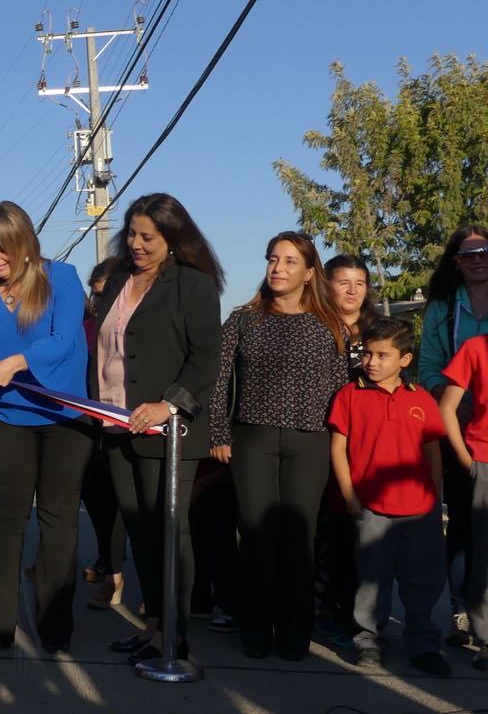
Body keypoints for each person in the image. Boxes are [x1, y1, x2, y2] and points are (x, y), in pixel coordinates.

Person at [0, 201, 89, 656]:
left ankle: (54, 627)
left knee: (58, 521)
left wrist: (19, 360)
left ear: (24, 243)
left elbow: (66, 339)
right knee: (6, 520)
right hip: (9, 416)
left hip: (65, 418)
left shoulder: (61, 278)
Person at [91, 193, 223, 665]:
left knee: (168, 529)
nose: (137, 244)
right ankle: (153, 627)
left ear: (173, 237)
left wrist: (167, 405)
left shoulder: (194, 284)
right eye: (132, 234)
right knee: (140, 530)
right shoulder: (119, 280)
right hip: (114, 423)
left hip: (167, 431)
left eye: (148, 236)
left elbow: (206, 358)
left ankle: (175, 635)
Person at [209, 232, 347, 661]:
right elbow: (217, 381)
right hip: (253, 439)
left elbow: (342, 390)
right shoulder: (243, 320)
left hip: (311, 441)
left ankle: (294, 634)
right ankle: (255, 628)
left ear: (309, 273)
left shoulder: (331, 325)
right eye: (273, 259)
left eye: (289, 261)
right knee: (255, 534)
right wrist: (218, 433)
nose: (278, 268)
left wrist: (343, 443)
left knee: (299, 537)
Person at [331, 318, 451, 676]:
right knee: (371, 580)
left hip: (419, 509)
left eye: (383, 355)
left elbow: (432, 452)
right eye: (367, 353)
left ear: (404, 359)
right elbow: (339, 449)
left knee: (422, 579)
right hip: (371, 508)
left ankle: (423, 642)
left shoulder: (422, 400)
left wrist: (433, 495)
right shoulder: (349, 395)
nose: (372, 361)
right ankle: (368, 640)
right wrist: (350, 496)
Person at [420, 225, 488, 647]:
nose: (479, 259)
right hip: (460, 431)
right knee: (463, 524)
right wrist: (453, 400)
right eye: (469, 254)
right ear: (456, 261)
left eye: (485, 251)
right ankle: (461, 608)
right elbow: (427, 365)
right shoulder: (443, 309)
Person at [314, 254, 376, 643]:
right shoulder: (316, 327)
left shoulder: (376, 332)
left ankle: (363, 614)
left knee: (363, 537)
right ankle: (325, 609)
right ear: (327, 284)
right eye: (344, 282)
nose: (353, 291)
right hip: (323, 438)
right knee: (328, 532)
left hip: (368, 444)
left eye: (360, 283)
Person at [439, 287, 488, 673]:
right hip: (482, 461)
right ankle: (485, 637)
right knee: (482, 556)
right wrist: (465, 457)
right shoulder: (473, 348)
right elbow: (447, 406)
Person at [80, 256, 128, 609]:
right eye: (95, 296)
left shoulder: (137, 327)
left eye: (105, 294)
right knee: (99, 505)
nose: (99, 303)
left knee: (132, 509)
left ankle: (155, 596)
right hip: (88, 429)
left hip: (130, 428)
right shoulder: (84, 328)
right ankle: (110, 569)